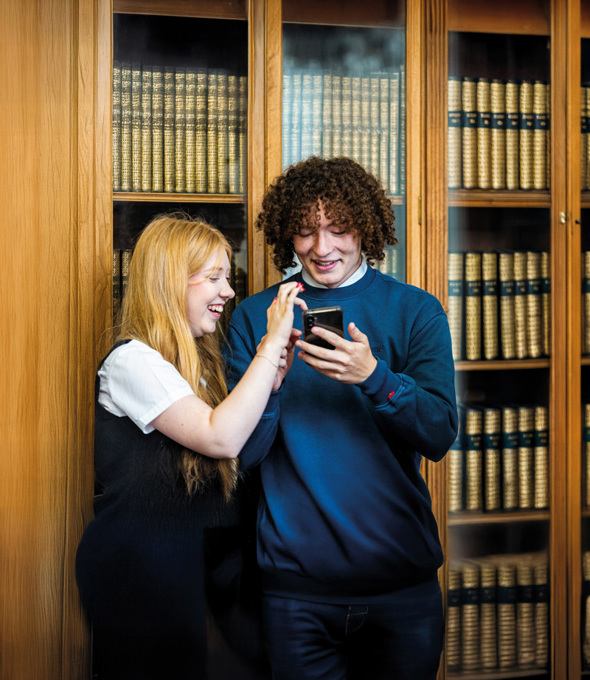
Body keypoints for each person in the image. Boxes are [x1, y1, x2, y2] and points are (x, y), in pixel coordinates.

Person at [224, 156, 459, 680]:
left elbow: (440, 434)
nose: (322, 248)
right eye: (305, 233)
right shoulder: (256, 318)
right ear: (288, 235)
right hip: (295, 593)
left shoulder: (417, 311)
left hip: (402, 587)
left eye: (338, 229)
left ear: (366, 228)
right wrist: (271, 375)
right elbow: (242, 456)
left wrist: (374, 376)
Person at [76, 214, 305, 680]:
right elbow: (220, 438)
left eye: (229, 277)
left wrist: (272, 381)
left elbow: (237, 450)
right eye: (213, 278)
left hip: (199, 571)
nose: (228, 292)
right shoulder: (131, 361)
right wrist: (270, 344)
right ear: (168, 282)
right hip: (142, 574)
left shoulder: (199, 364)